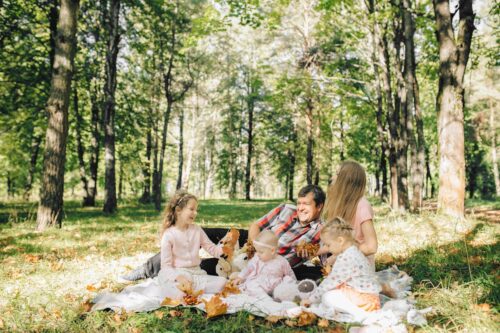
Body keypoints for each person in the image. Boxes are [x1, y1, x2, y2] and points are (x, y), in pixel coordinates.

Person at [121, 184, 326, 282]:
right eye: (299, 203)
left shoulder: (321, 230)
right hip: (252, 241)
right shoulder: (286, 209)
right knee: (199, 233)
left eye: (306, 205)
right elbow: (256, 225)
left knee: (202, 266)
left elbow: (324, 255)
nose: (300, 208)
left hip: (265, 261)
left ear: (319, 206)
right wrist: (252, 244)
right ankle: (147, 269)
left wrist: (310, 255)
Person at [92, 191, 227, 312]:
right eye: (191, 209)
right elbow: (166, 267)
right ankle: (172, 290)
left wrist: (225, 248)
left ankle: (189, 290)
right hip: (176, 274)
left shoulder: (197, 230)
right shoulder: (169, 235)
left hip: (196, 273)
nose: (195, 213)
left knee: (222, 283)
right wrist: (178, 277)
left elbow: (213, 250)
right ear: (179, 210)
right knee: (180, 294)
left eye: (196, 210)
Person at [301, 218, 381, 323]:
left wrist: (311, 299)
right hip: (368, 298)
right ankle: (357, 310)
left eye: (328, 245)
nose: (327, 249)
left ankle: (359, 313)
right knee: (330, 293)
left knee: (327, 297)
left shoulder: (346, 258)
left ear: (340, 240)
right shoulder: (353, 252)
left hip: (364, 300)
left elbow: (330, 282)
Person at [321, 160, 378, 268]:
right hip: (342, 266)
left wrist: (339, 256)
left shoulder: (362, 206)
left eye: (337, 174)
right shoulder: (341, 205)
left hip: (359, 270)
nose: (332, 177)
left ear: (346, 180)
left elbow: (371, 246)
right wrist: (316, 252)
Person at [230, 230, 296, 298]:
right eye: (257, 251)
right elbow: (248, 268)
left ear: (272, 251)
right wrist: (240, 277)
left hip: (276, 286)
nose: (257, 254)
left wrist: (294, 284)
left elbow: (290, 273)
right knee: (252, 284)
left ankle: (281, 295)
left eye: (261, 252)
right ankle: (264, 297)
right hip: (260, 283)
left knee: (287, 280)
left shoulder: (282, 261)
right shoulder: (257, 258)